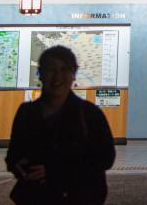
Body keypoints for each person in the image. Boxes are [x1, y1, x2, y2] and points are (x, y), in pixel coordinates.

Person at [6, 45, 116, 204]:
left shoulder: (90, 114)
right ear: (40, 74)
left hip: (79, 197)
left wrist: (53, 170)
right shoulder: (26, 113)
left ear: (74, 74)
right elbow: (12, 155)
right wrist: (20, 167)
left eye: (64, 69)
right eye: (51, 69)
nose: (57, 77)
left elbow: (105, 158)